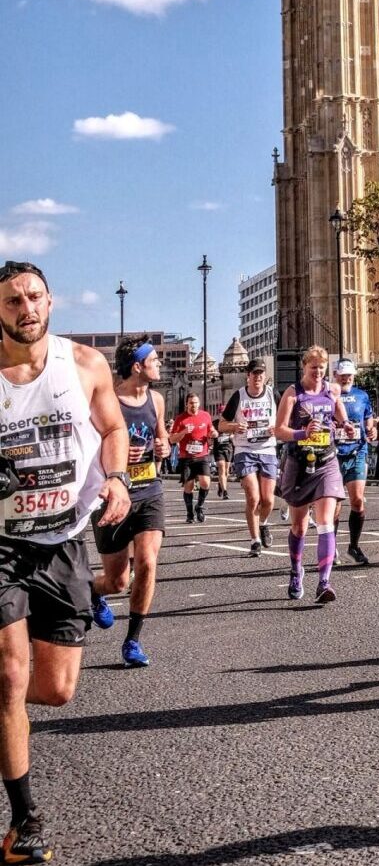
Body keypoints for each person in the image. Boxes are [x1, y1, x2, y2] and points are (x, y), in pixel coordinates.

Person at [0, 261, 131, 862]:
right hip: (2, 543)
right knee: (10, 675)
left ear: (50, 301)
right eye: (11, 301)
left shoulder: (83, 364)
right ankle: (26, 821)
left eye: (33, 297)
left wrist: (118, 479)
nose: (24, 308)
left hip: (64, 539)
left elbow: (111, 429)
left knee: (54, 690)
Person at [88, 335, 171, 669]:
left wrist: (162, 449)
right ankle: (94, 592)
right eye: (154, 359)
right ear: (137, 366)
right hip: (112, 498)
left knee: (148, 562)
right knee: (117, 582)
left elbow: (160, 438)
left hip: (150, 490)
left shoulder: (158, 400)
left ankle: (132, 641)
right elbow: (90, 451)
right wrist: (116, 458)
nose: (159, 363)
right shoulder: (107, 402)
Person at [272, 346, 354, 603]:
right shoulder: (293, 393)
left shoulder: (332, 390)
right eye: (313, 367)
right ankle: (296, 571)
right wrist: (301, 433)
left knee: (326, 521)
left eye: (321, 367)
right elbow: (279, 430)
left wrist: (347, 426)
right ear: (304, 368)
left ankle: (324, 582)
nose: (318, 372)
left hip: (326, 461)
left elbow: (341, 416)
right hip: (298, 462)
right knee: (299, 526)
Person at [219, 358, 278, 556]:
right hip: (245, 450)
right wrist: (235, 426)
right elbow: (221, 425)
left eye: (261, 373)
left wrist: (276, 429)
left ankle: (263, 523)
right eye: (254, 374)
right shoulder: (238, 396)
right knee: (253, 497)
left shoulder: (272, 394)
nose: (258, 377)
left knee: (268, 500)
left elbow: (286, 419)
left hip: (268, 449)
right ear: (248, 376)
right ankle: (255, 541)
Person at [334, 359, 378, 565]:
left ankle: (353, 546)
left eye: (349, 374)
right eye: (343, 374)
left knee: (358, 501)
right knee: (334, 505)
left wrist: (371, 428)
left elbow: (368, 417)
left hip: (358, 451)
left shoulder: (362, 395)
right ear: (335, 374)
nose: (346, 378)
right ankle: (330, 547)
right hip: (333, 453)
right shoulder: (329, 395)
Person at [171, 393, 214, 523]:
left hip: (202, 455)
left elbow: (210, 430)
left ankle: (199, 506)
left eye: (195, 402)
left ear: (199, 403)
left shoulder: (205, 416)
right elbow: (172, 439)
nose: (193, 405)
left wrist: (213, 433)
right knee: (188, 487)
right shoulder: (180, 419)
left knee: (206, 483)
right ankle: (190, 514)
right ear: (186, 404)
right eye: (190, 403)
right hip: (187, 457)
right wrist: (184, 432)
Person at [212, 425, 233, 500]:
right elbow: (211, 434)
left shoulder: (230, 423)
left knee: (226, 472)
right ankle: (225, 491)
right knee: (221, 469)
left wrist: (232, 436)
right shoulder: (215, 423)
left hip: (228, 449)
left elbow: (236, 434)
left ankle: (220, 484)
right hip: (218, 450)